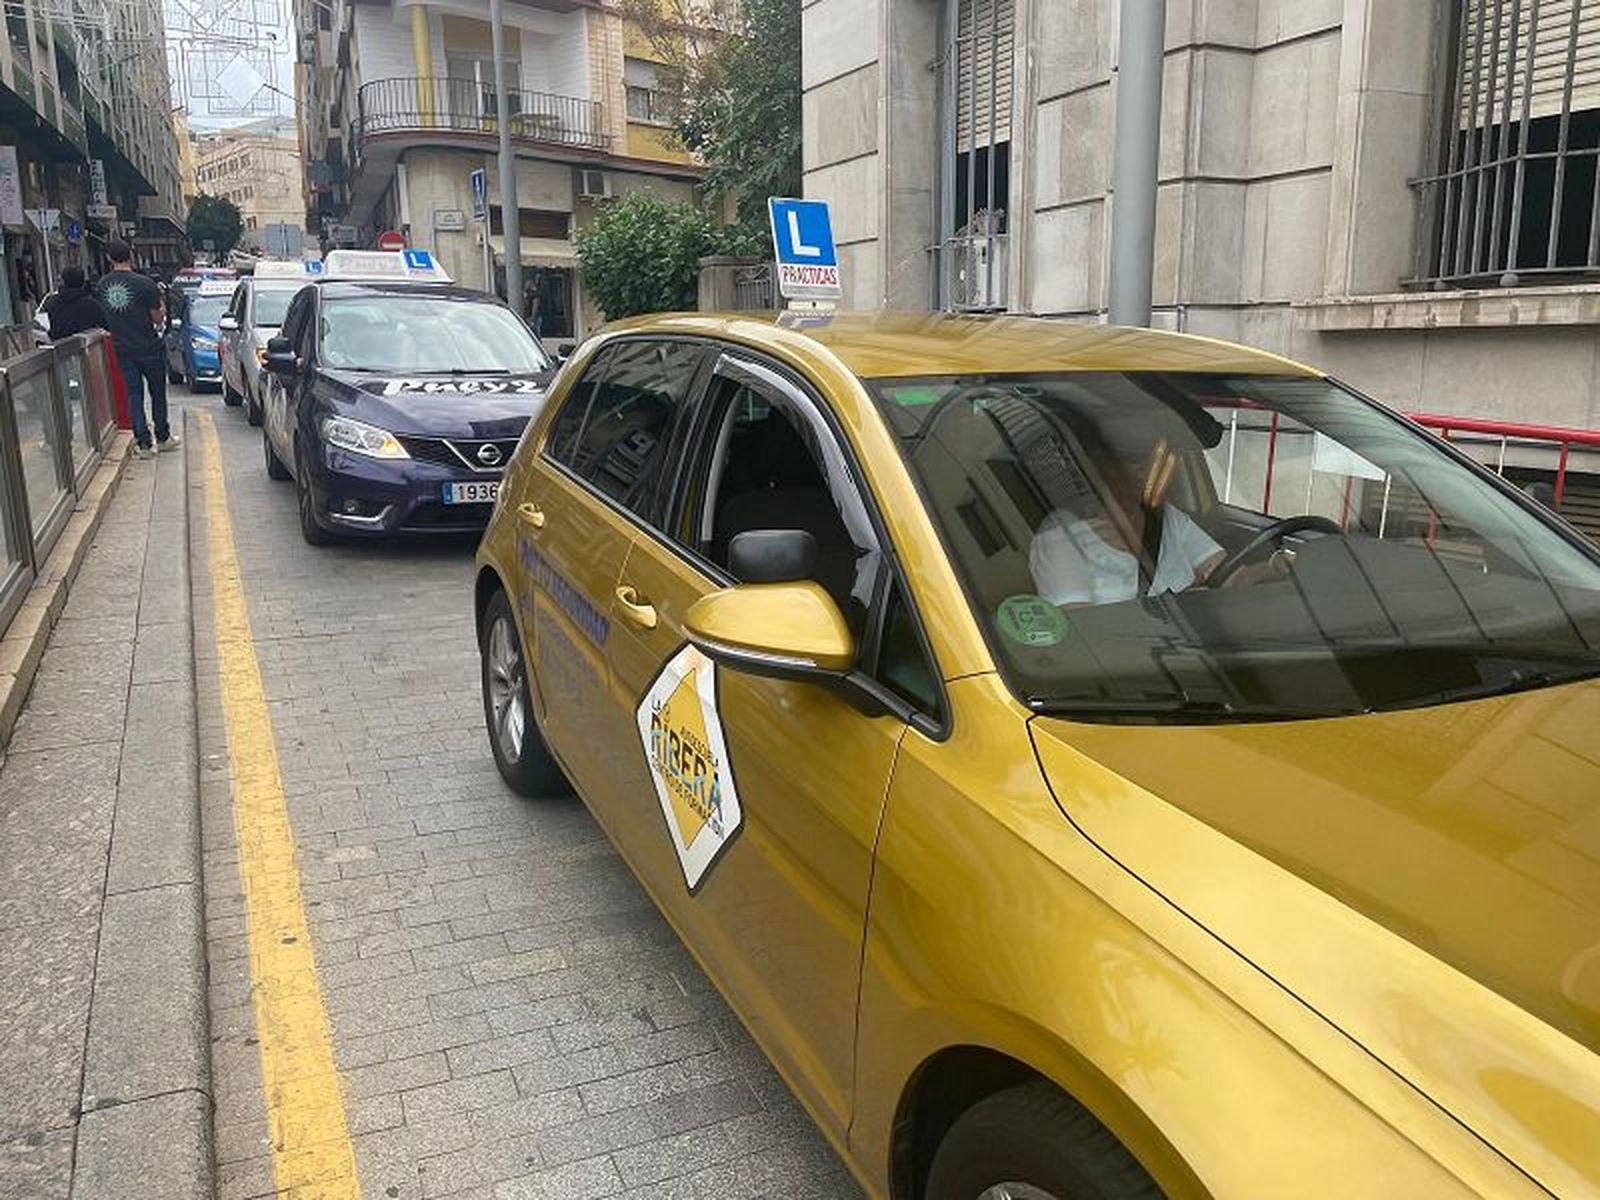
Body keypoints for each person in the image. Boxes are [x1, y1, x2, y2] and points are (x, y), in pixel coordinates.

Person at [96, 239, 176, 458]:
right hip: (149, 345)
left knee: (134, 394)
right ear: (131, 256)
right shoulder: (145, 283)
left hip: (122, 347)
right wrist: (162, 304)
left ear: (108, 258)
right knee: (157, 392)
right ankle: (162, 436)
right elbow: (158, 318)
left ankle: (143, 444)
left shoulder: (102, 286)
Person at [41, 266, 109, 340]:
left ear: (63, 282)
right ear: (82, 282)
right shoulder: (92, 305)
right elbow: (106, 326)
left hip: (61, 348)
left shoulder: (52, 303)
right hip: (88, 347)